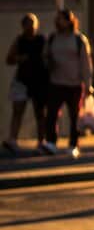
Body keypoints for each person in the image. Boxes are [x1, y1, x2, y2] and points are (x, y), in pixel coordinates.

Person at [41, 8, 93, 157]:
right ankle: (51, 142)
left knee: (74, 116)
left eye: (61, 19)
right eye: (57, 19)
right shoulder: (52, 38)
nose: (58, 22)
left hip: (74, 84)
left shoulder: (78, 40)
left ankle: (73, 144)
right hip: (56, 82)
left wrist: (88, 84)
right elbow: (45, 57)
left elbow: (86, 64)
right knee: (52, 114)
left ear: (69, 21)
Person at [5, 14, 48, 154]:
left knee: (40, 113)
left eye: (33, 24)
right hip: (22, 80)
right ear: (23, 26)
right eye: (28, 25)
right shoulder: (20, 41)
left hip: (39, 81)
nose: (31, 28)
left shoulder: (42, 40)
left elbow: (49, 57)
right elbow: (9, 59)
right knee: (18, 110)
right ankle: (13, 139)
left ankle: (42, 141)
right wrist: (19, 58)